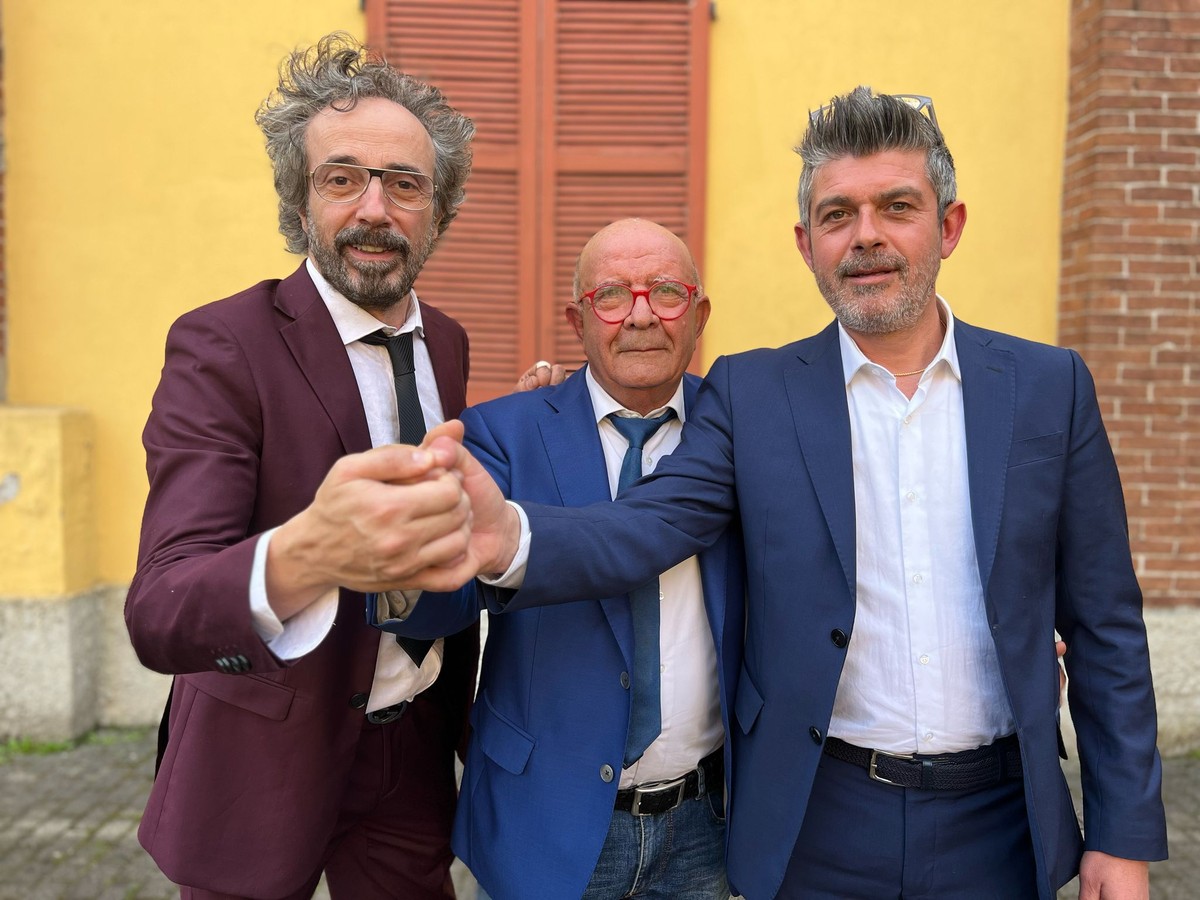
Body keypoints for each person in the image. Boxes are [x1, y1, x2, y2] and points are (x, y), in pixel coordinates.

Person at [410, 87, 1169, 899]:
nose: (866, 235)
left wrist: (1120, 836)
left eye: (897, 206)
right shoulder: (754, 396)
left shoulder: (1049, 387)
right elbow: (649, 524)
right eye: (838, 215)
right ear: (807, 245)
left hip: (1001, 821)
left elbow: (1105, 627)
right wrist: (510, 538)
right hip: (821, 823)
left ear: (948, 227)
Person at [125, 34, 480, 900]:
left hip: (413, 748)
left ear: (438, 210)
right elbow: (162, 610)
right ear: (300, 197)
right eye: (342, 178)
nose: (375, 209)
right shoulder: (222, 344)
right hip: (260, 760)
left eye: (405, 184)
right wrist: (308, 552)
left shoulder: (449, 342)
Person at [371, 218, 743, 899]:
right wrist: (406, 563)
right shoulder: (505, 431)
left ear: (699, 314)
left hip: (705, 821)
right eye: (612, 296)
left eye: (665, 292)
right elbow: (448, 599)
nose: (640, 317)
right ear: (578, 320)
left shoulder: (743, 428)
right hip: (544, 815)